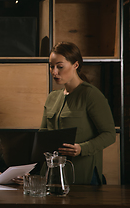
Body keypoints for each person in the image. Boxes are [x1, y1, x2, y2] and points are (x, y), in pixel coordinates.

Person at [40, 41, 116, 185]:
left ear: (75, 65)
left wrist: (82, 148)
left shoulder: (91, 95)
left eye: (60, 67)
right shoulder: (52, 97)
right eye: (51, 66)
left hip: (82, 175)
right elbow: (43, 134)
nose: (54, 72)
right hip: (51, 176)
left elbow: (109, 134)